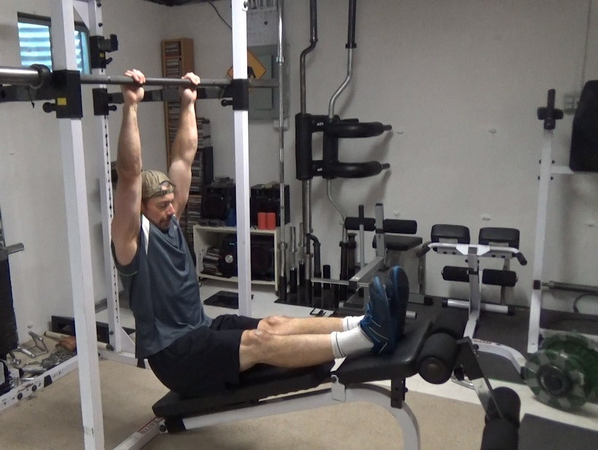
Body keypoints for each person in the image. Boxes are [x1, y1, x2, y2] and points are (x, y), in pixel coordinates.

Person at [111, 69, 409, 398]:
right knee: (259, 342)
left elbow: (184, 158)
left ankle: (364, 322)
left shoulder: (169, 219)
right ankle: (366, 339)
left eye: (172, 202)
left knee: (274, 324)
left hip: (201, 330)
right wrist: (132, 106)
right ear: (140, 207)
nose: (172, 210)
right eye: (162, 206)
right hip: (174, 355)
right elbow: (128, 174)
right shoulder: (132, 241)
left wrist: (188, 104)